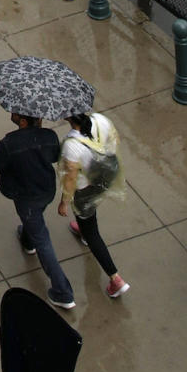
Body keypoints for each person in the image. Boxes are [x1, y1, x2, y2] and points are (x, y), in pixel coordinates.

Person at [0, 113, 76, 309]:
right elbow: (55, 157)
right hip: (46, 191)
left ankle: (63, 292)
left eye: (16, 113)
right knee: (34, 220)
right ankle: (28, 241)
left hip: (26, 197)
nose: (12, 114)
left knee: (42, 239)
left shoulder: (9, 143)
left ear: (24, 121)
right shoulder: (50, 137)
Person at [57, 113, 130, 298]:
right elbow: (115, 139)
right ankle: (83, 227)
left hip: (85, 188)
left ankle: (115, 279)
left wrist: (64, 202)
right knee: (87, 213)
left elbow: (71, 177)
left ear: (70, 119)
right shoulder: (101, 120)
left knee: (92, 231)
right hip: (107, 176)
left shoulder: (71, 145)